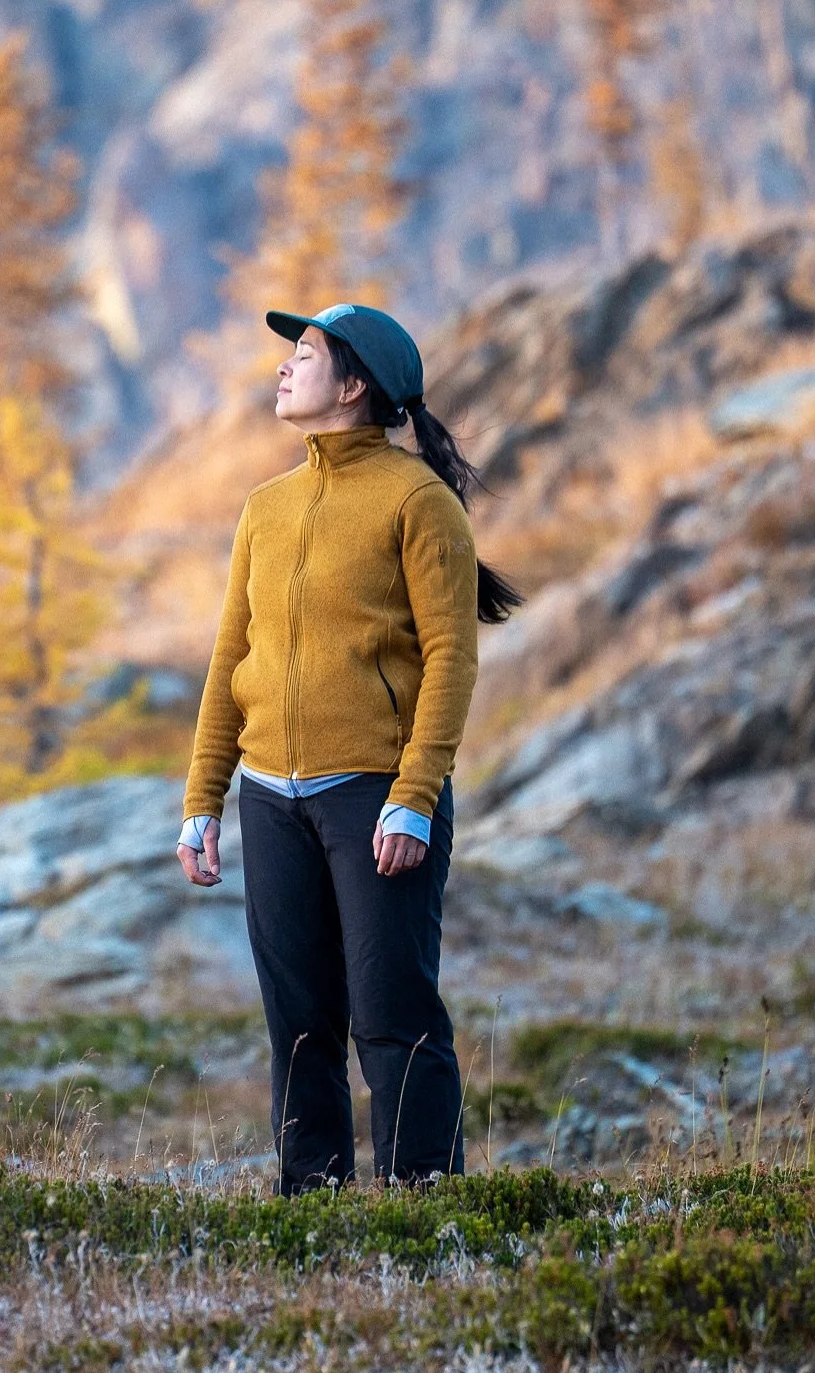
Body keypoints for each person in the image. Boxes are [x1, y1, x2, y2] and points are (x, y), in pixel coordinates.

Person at [177, 302, 520, 1192]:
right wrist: (200, 803)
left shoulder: (417, 501)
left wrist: (414, 792)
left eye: (306, 355)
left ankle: (422, 1211)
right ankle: (312, 1214)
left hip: (374, 795)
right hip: (271, 798)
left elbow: (451, 657)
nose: (285, 368)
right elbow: (231, 657)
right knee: (297, 1023)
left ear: (353, 384)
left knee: (390, 1017)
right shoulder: (266, 507)